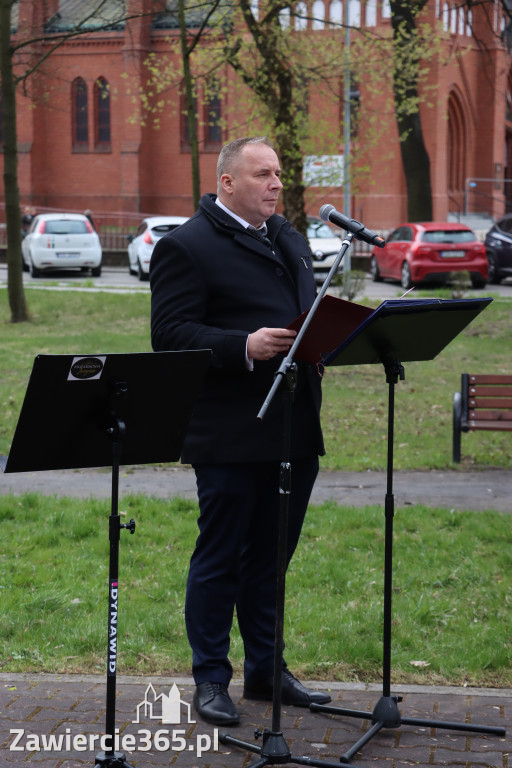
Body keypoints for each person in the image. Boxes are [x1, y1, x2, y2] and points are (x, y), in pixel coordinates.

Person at [150, 136, 331, 726]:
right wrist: (242, 347)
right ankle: (210, 679)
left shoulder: (289, 239)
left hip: (294, 426)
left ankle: (266, 669)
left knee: (272, 557)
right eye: (263, 174)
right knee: (221, 556)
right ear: (227, 182)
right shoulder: (186, 246)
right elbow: (170, 333)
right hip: (229, 429)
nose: (277, 184)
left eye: (278, 173)